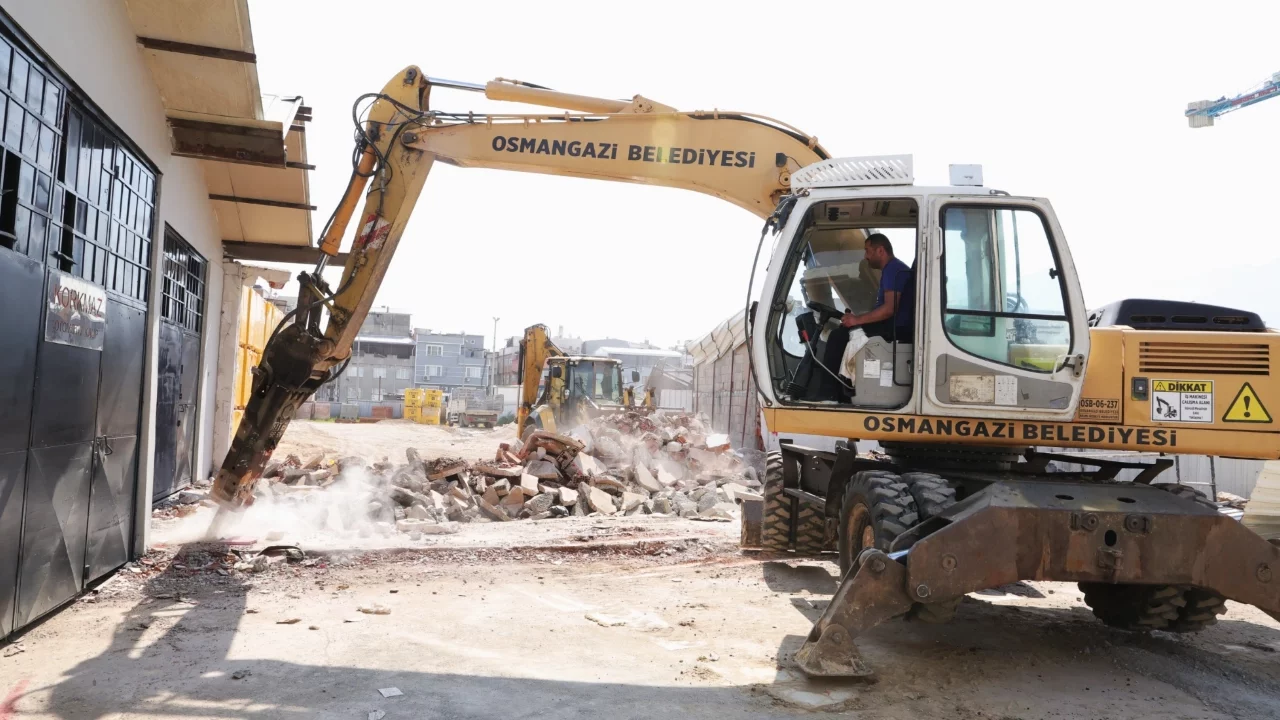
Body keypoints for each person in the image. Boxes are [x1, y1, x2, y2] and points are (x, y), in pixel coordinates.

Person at [841, 233, 914, 342]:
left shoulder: (893, 269)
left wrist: (856, 320)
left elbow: (889, 309)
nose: (865, 256)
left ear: (880, 251)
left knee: (839, 336)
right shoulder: (892, 268)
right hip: (890, 327)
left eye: (867, 251)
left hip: (893, 330)